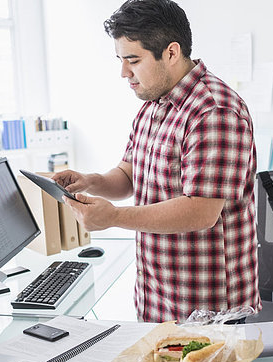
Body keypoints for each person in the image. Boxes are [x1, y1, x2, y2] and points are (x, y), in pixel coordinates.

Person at [54, 0, 261, 323]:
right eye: (121, 60)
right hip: (156, 296)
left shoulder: (213, 111)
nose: (124, 73)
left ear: (171, 52)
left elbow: (200, 211)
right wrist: (91, 181)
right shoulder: (153, 105)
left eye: (133, 60)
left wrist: (113, 217)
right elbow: (128, 175)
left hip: (208, 307)